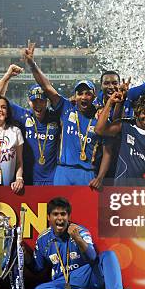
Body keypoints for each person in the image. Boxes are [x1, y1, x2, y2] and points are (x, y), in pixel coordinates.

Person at [29, 197, 135, 289]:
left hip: (89, 276)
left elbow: (92, 257)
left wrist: (78, 239)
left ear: (68, 216)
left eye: (63, 214)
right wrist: (25, 254)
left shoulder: (80, 231)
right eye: (55, 214)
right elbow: (37, 268)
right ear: (48, 217)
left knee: (109, 255)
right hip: (64, 283)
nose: (60, 218)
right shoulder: (43, 239)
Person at [24, 42, 110, 188]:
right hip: (63, 171)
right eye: (80, 93)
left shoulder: (100, 117)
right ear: (75, 96)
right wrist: (32, 65)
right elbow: (46, 86)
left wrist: (100, 177)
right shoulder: (66, 108)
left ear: (94, 96)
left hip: (87, 173)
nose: (84, 97)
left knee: (83, 211)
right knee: (58, 210)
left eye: (88, 93)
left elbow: (109, 151)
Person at [0, 64, 60, 185]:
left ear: (47, 101)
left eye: (41, 101)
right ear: (28, 101)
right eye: (34, 101)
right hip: (28, 179)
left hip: (53, 178)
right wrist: (7, 76)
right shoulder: (23, 116)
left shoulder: (56, 117)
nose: (38, 105)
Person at [95, 93, 145, 186]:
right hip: (122, 188)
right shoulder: (124, 125)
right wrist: (110, 102)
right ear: (138, 112)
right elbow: (99, 130)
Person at [95, 43, 145, 117]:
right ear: (101, 86)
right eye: (106, 83)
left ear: (119, 84)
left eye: (115, 83)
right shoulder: (95, 101)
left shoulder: (129, 94)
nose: (111, 86)